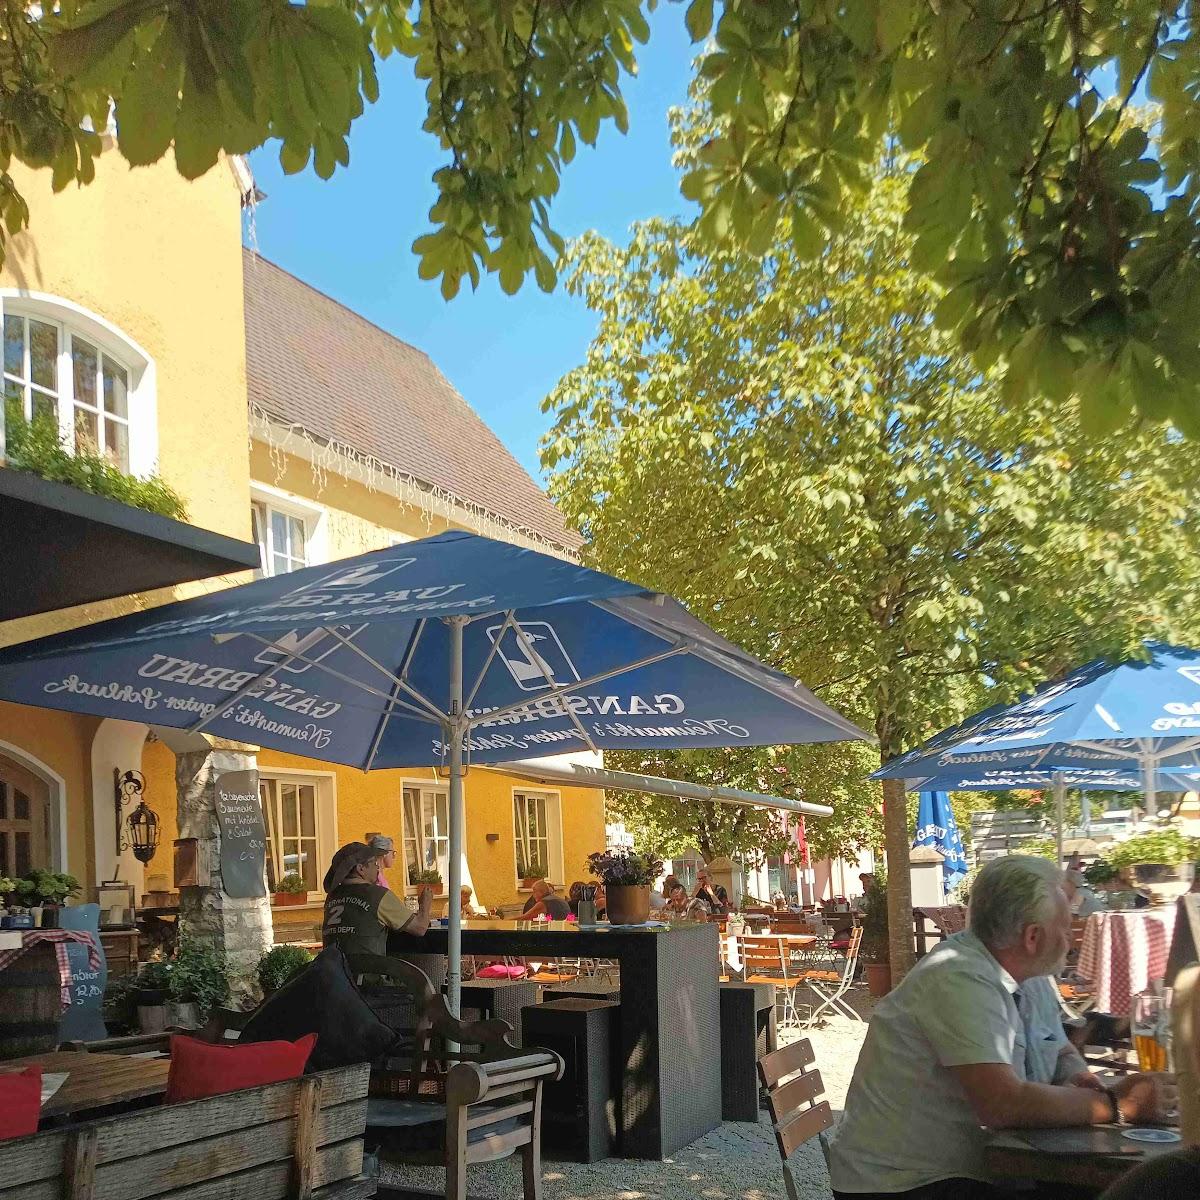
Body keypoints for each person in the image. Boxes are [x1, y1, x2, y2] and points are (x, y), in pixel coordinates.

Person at [826, 855, 1174, 1198]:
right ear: (1033, 937)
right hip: (904, 1185)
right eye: (1065, 928)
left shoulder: (1027, 971)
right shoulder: (958, 978)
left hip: (970, 1170)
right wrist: (1117, 1105)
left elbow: (1059, 1043)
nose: (1070, 939)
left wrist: (1077, 1075)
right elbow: (1003, 1104)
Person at [322, 841, 432, 956]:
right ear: (361, 869)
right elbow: (420, 928)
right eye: (374, 862)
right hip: (368, 971)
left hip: (333, 970)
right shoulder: (378, 895)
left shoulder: (332, 897)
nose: (378, 867)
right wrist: (425, 904)